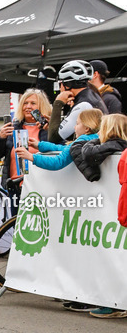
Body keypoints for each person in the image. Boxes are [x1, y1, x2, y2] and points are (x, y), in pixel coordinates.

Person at [66, 114, 127, 319]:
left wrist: (94, 138)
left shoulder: (116, 148)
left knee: (115, 258)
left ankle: (115, 303)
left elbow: (90, 154)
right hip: (113, 212)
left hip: (117, 214)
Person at [0, 89, 51, 194]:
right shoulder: (13, 128)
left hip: (41, 186)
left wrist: (50, 130)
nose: (28, 107)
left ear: (42, 106)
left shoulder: (49, 129)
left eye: (33, 103)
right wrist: (0, 137)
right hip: (16, 185)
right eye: (25, 103)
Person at [14, 108, 101, 171]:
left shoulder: (82, 140)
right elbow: (65, 149)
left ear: (87, 128)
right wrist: (40, 145)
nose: (74, 127)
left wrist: (32, 157)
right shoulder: (96, 139)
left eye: (77, 124)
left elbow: (58, 162)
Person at [47, 60, 107, 144]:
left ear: (67, 84)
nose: (60, 88)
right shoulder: (92, 95)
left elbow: (53, 138)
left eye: (60, 83)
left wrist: (58, 103)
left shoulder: (83, 105)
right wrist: (52, 125)